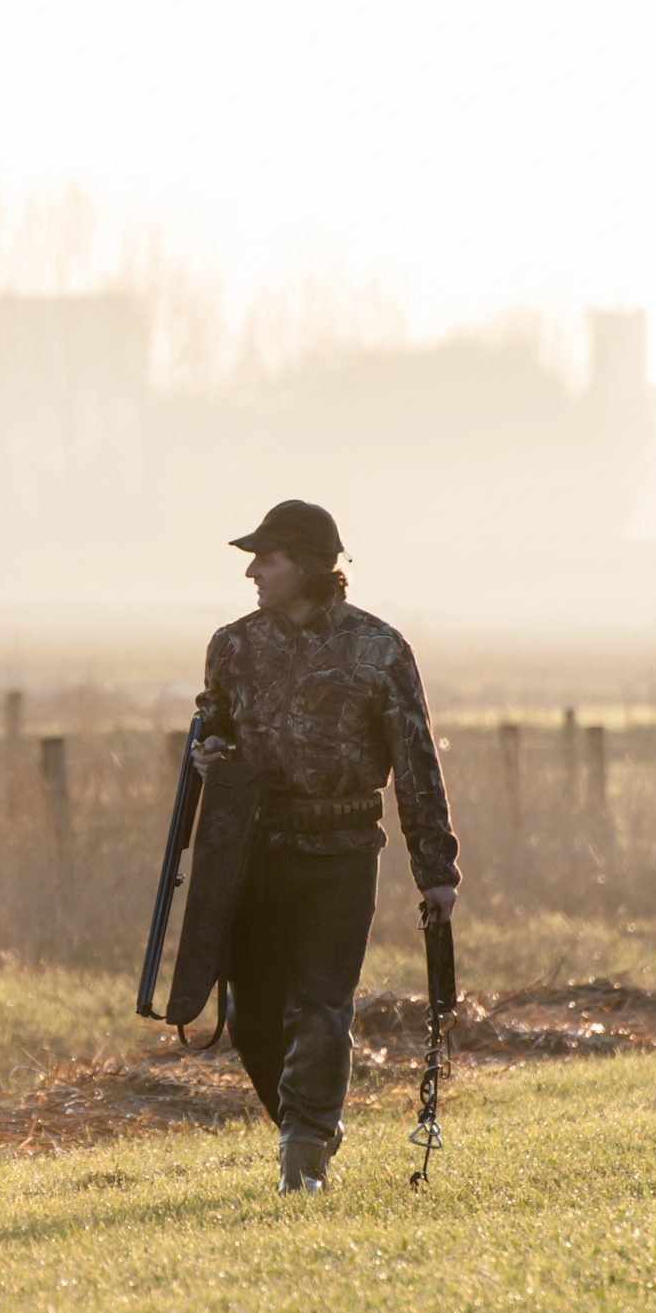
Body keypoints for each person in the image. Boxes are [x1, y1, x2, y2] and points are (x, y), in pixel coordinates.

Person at [190, 499, 460, 1194]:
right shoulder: (234, 645)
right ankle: (305, 1128)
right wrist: (207, 752)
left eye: (268, 559)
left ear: (308, 566)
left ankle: (303, 1155)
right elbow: (212, 727)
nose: (253, 571)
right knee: (250, 1019)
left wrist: (435, 870)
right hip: (255, 853)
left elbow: (416, 759)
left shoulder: (379, 649)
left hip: (340, 852)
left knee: (318, 1004)